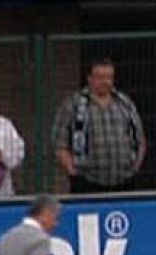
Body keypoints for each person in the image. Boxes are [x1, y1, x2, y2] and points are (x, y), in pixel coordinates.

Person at [53, 58, 146, 193]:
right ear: (90, 79)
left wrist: (135, 166)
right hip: (87, 183)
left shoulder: (125, 103)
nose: (106, 82)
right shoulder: (74, 105)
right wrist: (73, 172)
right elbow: (60, 144)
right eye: (101, 77)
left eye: (109, 77)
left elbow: (140, 139)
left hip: (125, 181)